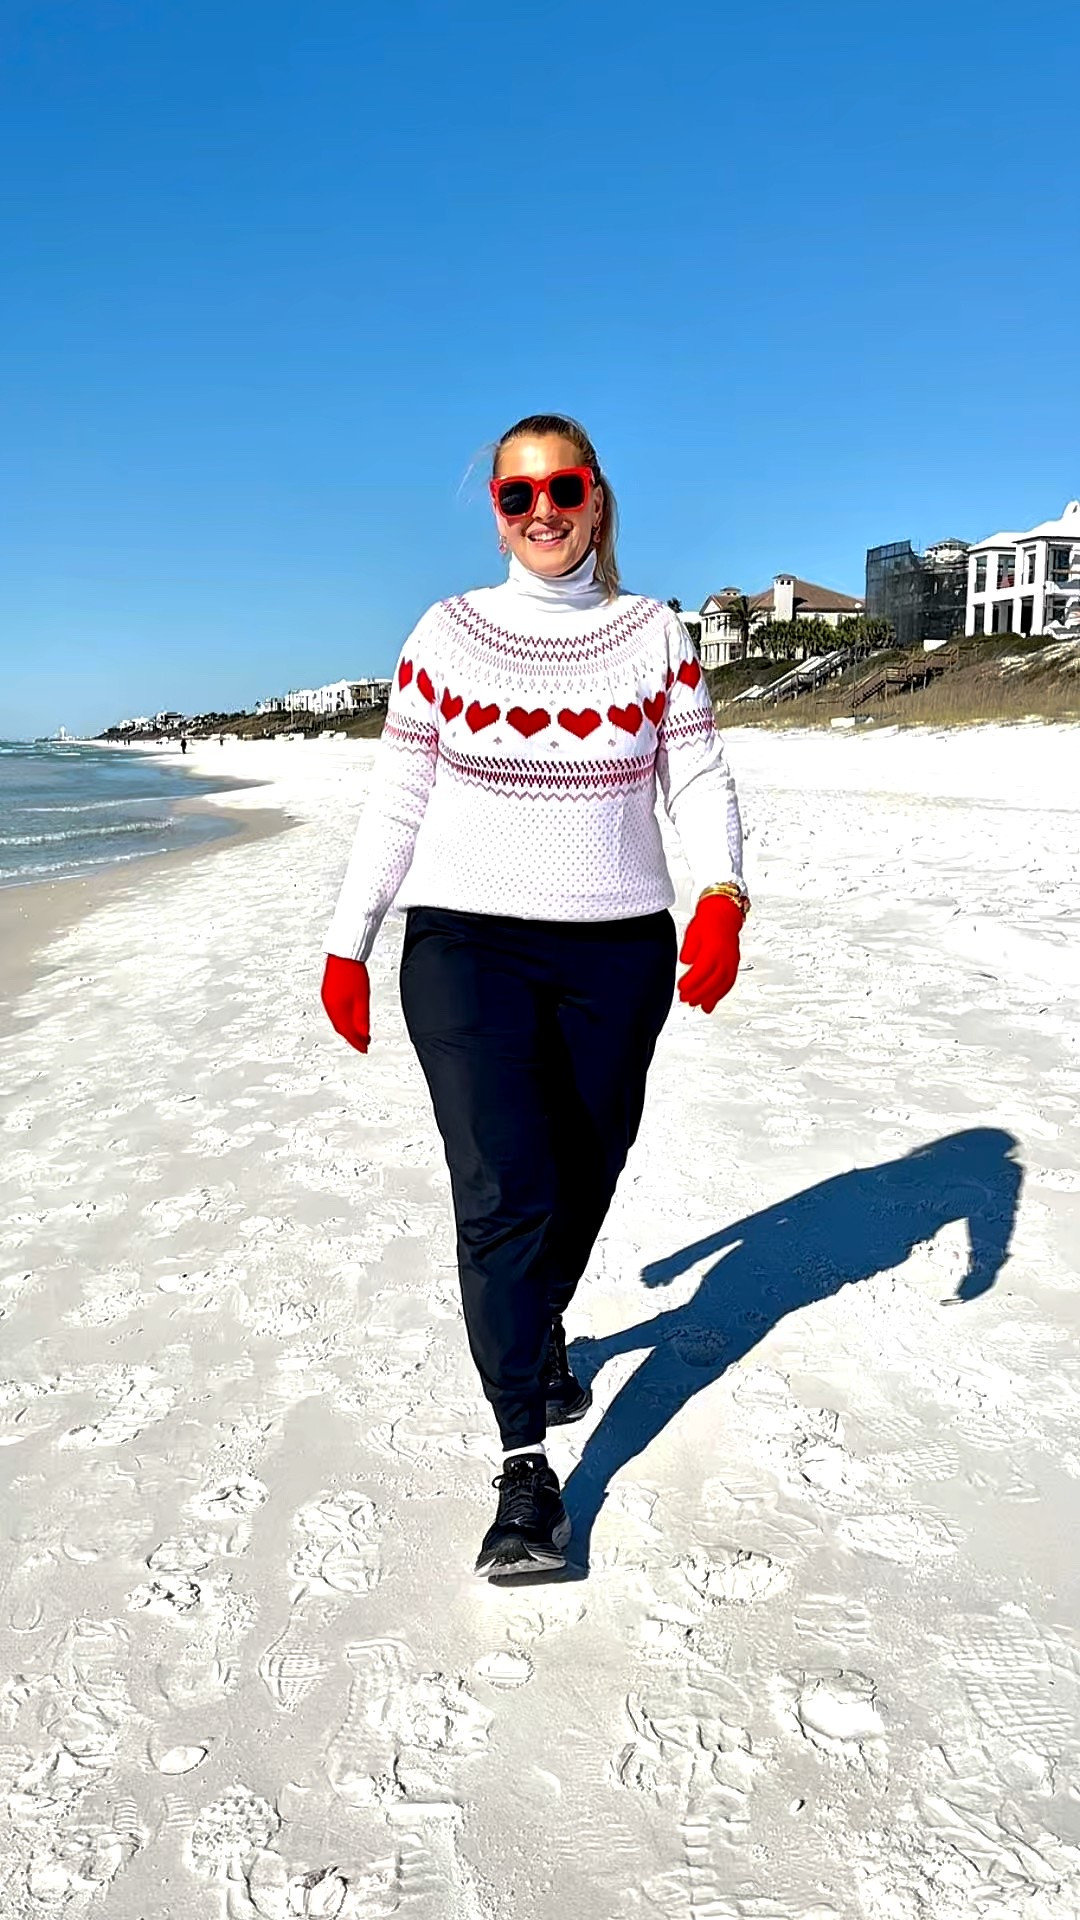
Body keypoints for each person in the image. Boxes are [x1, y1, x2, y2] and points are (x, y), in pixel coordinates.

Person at [320, 413, 747, 1580]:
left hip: (618, 949)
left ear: (597, 498)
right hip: (466, 947)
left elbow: (699, 775)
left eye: (563, 488)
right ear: (496, 511)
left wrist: (723, 895)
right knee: (504, 1186)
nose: (543, 510)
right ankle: (525, 1468)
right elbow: (398, 801)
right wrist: (346, 941)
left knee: (587, 1166)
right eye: (518, 495)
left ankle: (540, 1326)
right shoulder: (444, 634)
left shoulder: (654, 633)